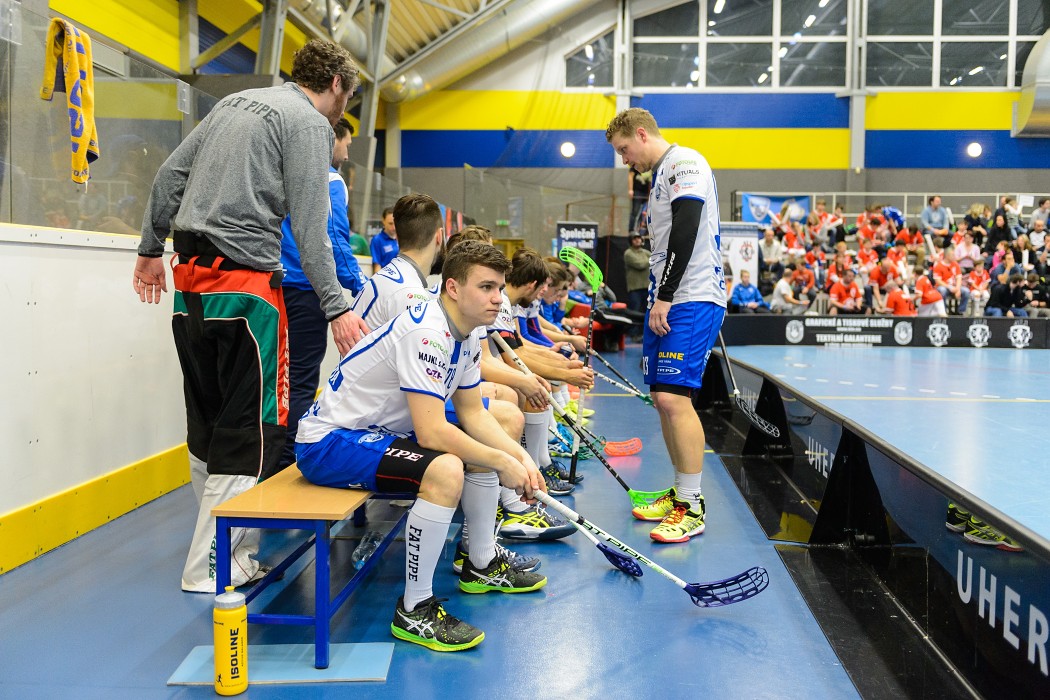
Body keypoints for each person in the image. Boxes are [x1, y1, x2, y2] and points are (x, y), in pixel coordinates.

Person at [131, 39, 370, 593]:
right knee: (250, 430)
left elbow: (168, 176)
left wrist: (149, 249)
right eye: (347, 98)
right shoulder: (309, 124)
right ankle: (213, 566)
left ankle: (220, 554)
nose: (341, 113)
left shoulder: (235, 104)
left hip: (189, 287)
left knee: (209, 427)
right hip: (245, 293)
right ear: (335, 84)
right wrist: (338, 306)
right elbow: (311, 229)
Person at [296, 241, 547, 652]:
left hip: (380, 431)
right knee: (446, 468)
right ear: (452, 287)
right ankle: (415, 609)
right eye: (486, 287)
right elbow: (431, 435)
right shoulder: (427, 332)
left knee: (488, 430)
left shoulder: (465, 332)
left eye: (500, 288)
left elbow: (473, 414)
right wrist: (503, 462)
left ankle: (481, 562)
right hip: (330, 440)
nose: (497, 298)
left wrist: (519, 458)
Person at [605, 107, 725, 543]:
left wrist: (668, 295)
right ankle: (680, 494)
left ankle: (692, 504)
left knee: (674, 399)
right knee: (662, 398)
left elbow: (687, 228)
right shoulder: (660, 176)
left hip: (689, 298)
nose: (624, 160)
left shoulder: (684, 162)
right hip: (672, 300)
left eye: (624, 149)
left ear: (641, 134)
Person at [278, 117, 366, 470]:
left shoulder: (281, 174)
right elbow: (335, 240)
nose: (346, 153)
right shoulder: (330, 180)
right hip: (306, 290)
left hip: (270, 288)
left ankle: (267, 460)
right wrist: (361, 285)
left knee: (274, 379)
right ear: (331, 140)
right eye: (345, 143)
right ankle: (289, 461)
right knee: (299, 381)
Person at [624, 232, 651, 340]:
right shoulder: (628, 253)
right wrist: (651, 260)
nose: (637, 240)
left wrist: (651, 259)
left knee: (647, 311)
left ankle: (646, 333)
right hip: (634, 288)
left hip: (647, 287)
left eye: (639, 238)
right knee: (635, 311)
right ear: (631, 241)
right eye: (635, 238)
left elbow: (655, 260)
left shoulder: (645, 252)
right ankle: (634, 334)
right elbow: (640, 264)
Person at [371, 206, 399, 274]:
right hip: (387, 279)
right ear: (383, 221)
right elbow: (377, 266)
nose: (394, 227)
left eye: (395, 223)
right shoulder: (377, 240)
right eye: (390, 223)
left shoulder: (403, 238)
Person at [628, 167, 651, 233]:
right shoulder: (636, 165)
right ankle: (631, 230)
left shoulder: (649, 167)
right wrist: (630, 189)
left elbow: (650, 182)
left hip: (646, 192)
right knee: (635, 211)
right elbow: (630, 175)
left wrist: (650, 194)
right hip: (637, 191)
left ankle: (640, 229)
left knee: (643, 213)